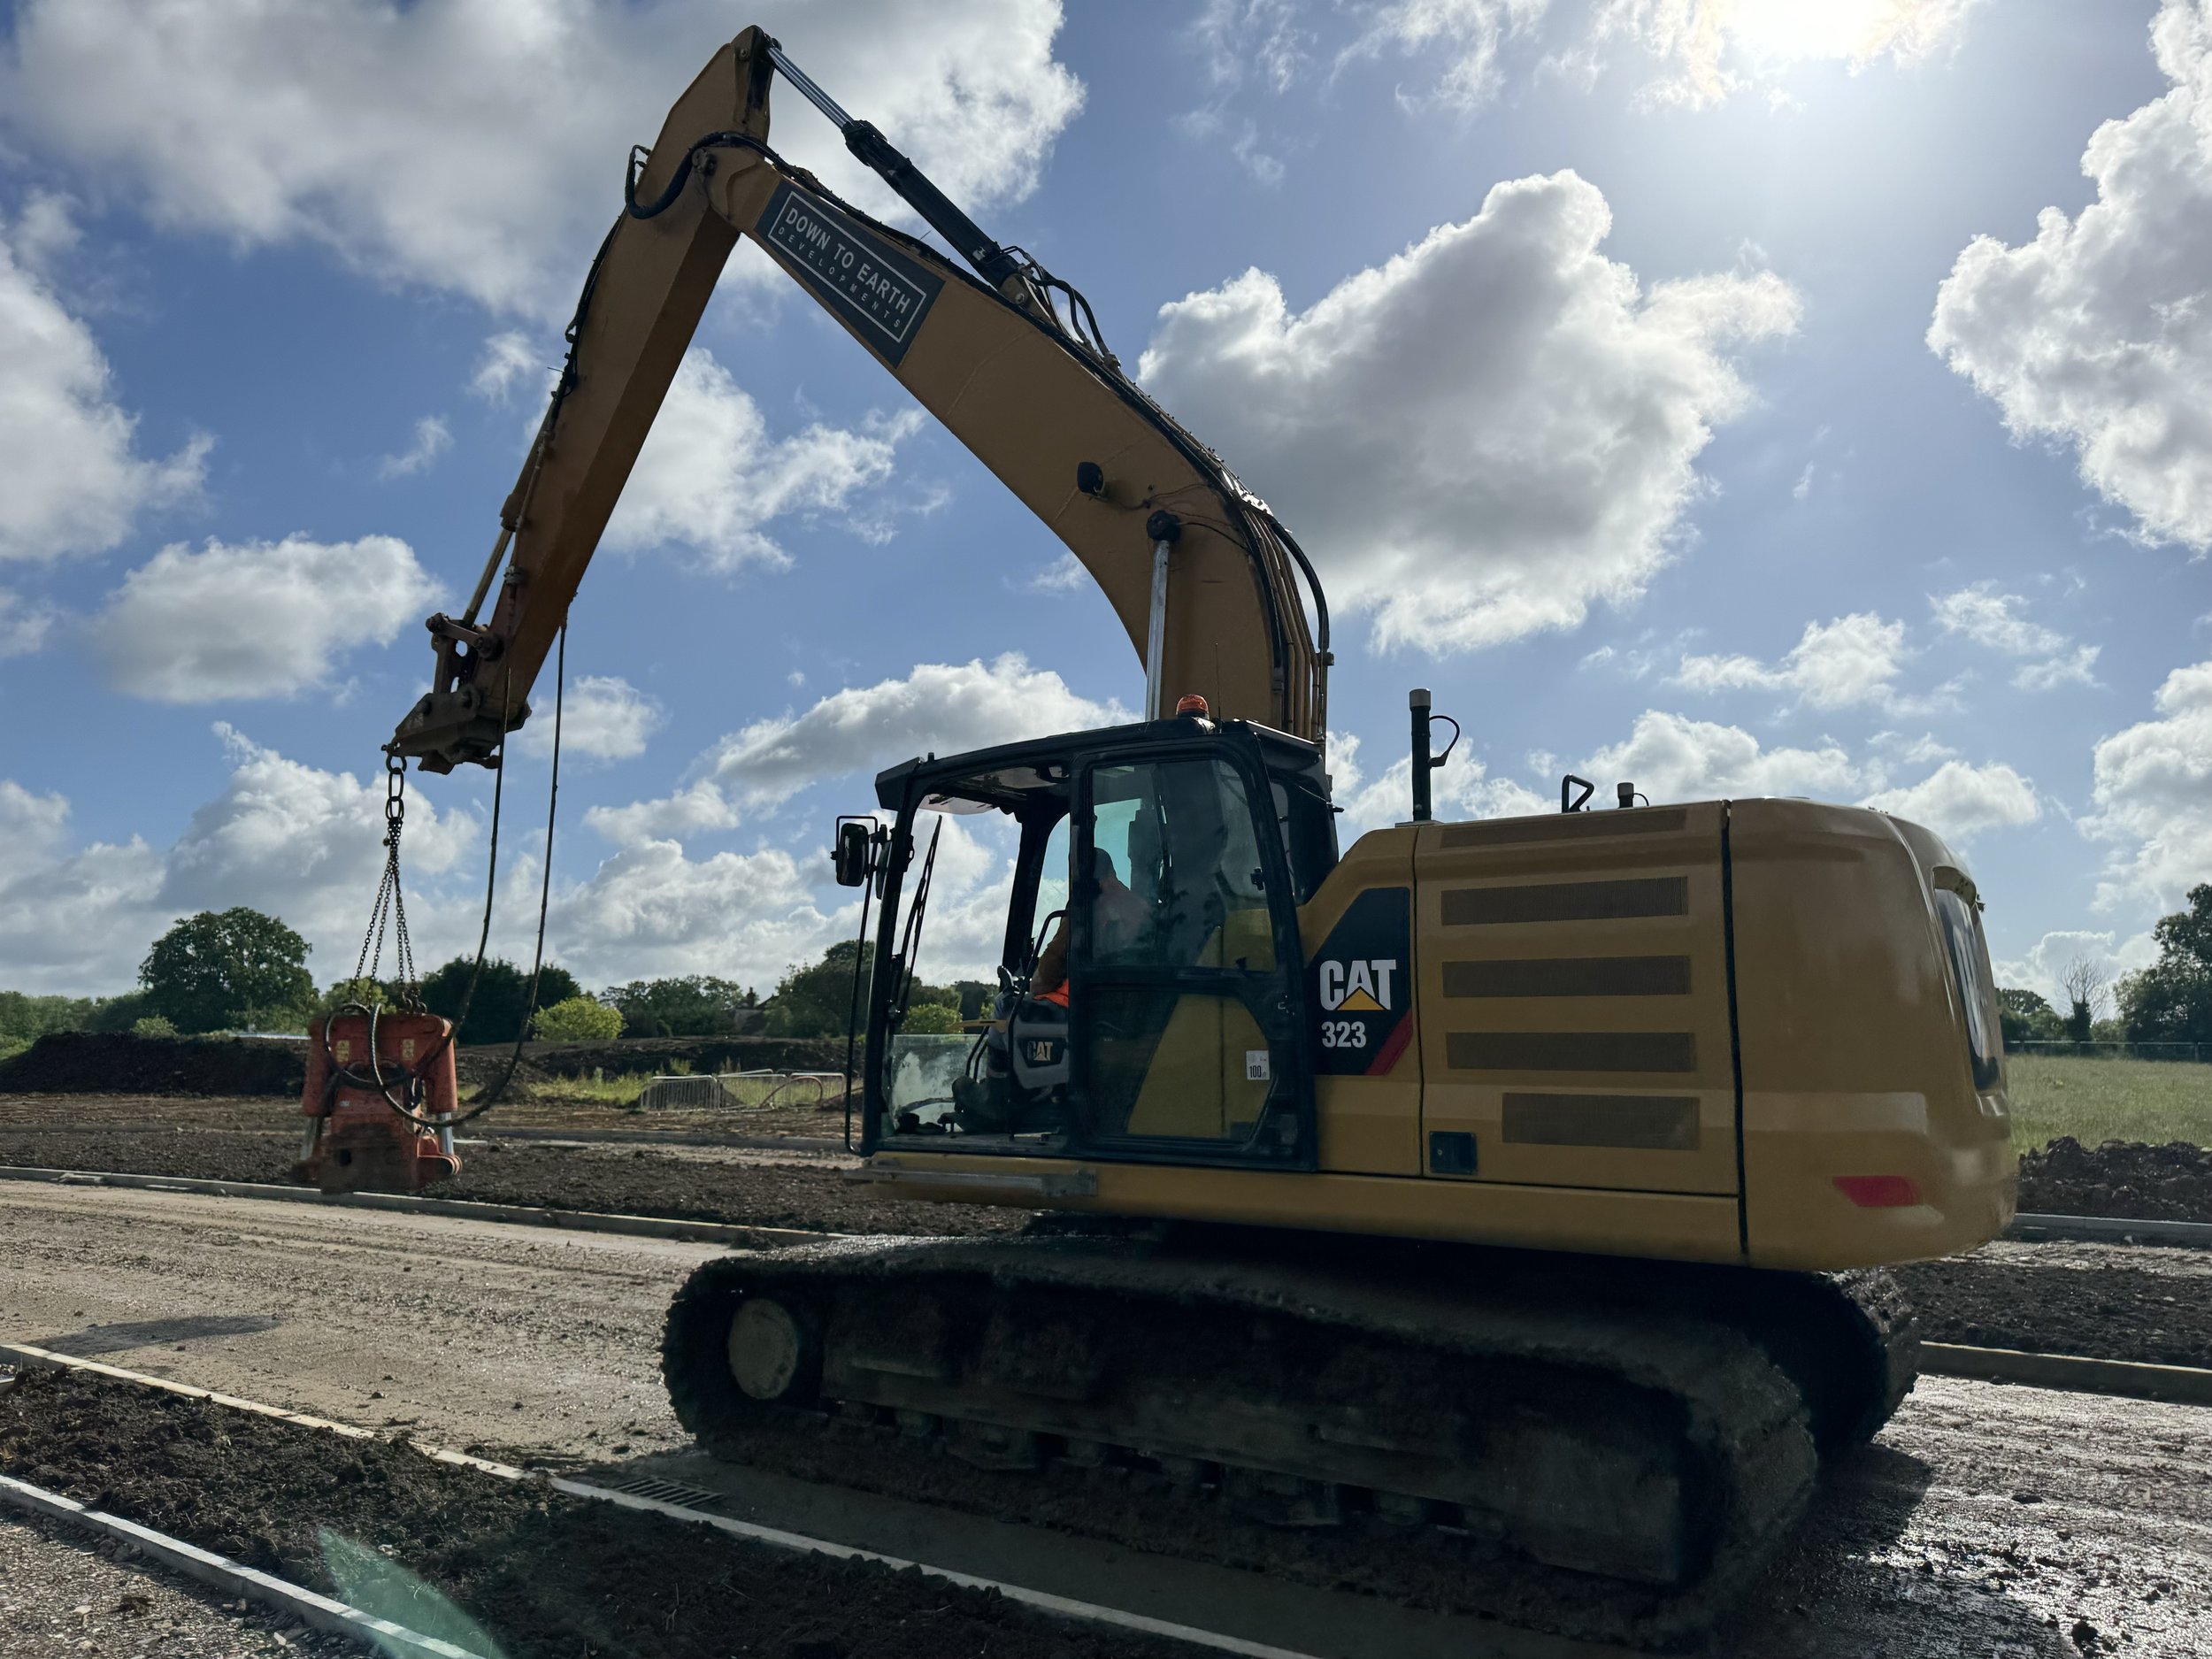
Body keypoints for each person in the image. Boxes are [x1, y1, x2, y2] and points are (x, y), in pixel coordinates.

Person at [1028, 848, 1145, 1006]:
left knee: (1006, 1005)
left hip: (1098, 1004)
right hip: (1135, 1000)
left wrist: (1034, 984)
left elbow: (1050, 969)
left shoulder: (1088, 904)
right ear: (1112, 871)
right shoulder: (1140, 906)